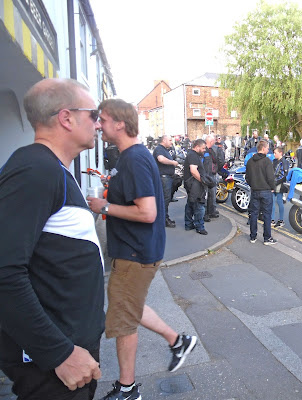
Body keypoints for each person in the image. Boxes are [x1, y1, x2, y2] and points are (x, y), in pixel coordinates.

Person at [0, 78, 104, 399]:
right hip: (56, 363)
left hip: (71, 350)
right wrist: (58, 352)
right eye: (93, 114)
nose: (99, 124)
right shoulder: (35, 170)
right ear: (66, 118)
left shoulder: (53, 169)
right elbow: (4, 271)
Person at [88, 99, 197, 400]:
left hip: (135, 253)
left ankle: (128, 389)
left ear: (120, 123)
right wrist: (114, 186)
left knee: (123, 318)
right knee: (129, 307)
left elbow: (147, 212)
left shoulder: (134, 158)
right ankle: (178, 341)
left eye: (103, 120)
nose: (98, 125)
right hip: (137, 251)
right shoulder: (131, 157)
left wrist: (105, 206)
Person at [245, 140, 277, 245]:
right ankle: (267, 238)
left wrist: (252, 185)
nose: (268, 150)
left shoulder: (250, 161)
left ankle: (253, 236)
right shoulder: (267, 161)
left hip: (255, 191)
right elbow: (270, 177)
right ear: (263, 148)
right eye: (267, 148)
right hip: (266, 191)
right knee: (267, 215)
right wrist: (273, 187)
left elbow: (247, 177)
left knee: (254, 214)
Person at [183, 138, 212, 235]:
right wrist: (203, 181)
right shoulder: (193, 155)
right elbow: (193, 170)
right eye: (203, 148)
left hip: (191, 185)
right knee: (199, 205)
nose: (204, 150)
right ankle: (200, 226)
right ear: (197, 147)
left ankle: (188, 224)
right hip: (195, 185)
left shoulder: (192, 154)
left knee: (190, 204)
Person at [153, 134, 179, 228]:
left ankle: (164, 218)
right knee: (165, 199)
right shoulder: (159, 149)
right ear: (164, 140)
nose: (171, 142)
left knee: (166, 199)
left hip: (166, 177)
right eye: (170, 140)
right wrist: (173, 162)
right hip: (164, 178)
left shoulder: (164, 150)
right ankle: (163, 220)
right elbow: (161, 159)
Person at [203, 135, 220, 222]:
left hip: (211, 175)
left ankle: (211, 211)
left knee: (212, 195)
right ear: (211, 142)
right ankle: (205, 214)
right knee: (205, 196)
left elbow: (216, 161)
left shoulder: (211, 150)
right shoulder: (203, 150)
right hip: (205, 176)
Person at [271, 147, 289, 228]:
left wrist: (274, 183)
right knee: (272, 201)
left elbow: (283, 176)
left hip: (279, 184)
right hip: (274, 183)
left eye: (275, 153)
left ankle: (281, 220)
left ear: (280, 153)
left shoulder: (284, 162)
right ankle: (272, 220)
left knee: (279, 201)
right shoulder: (274, 161)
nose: (274, 154)